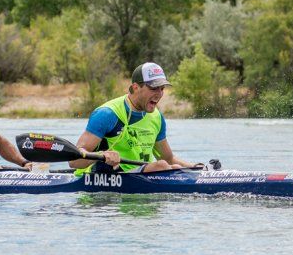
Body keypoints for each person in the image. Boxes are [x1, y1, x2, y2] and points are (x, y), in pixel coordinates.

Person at [69, 62, 199, 174]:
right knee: (161, 166)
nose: (159, 94)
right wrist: (101, 155)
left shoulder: (157, 117)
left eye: (162, 89)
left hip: (139, 175)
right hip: (101, 176)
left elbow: (169, 159)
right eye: (154, 88)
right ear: (136, 87)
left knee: (174, 168)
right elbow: (74, 161)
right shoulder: (107, 114)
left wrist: (196, 168)